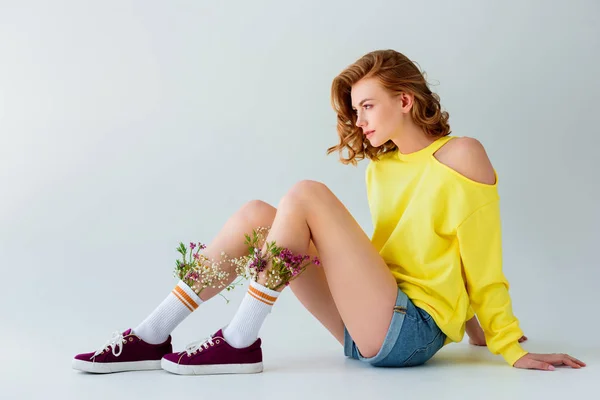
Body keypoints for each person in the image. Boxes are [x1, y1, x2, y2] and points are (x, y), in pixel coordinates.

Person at [72, 49, 585, 374]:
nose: (357, 120)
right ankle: (151, 334)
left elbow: (481, 256)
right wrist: (472, 325)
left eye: (367, 105)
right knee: (257, 213)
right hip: (372, 321)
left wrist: (504, 342)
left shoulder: (461, 155)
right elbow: (408, 254)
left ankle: (239, 340)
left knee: (307, 193)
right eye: (354, 109)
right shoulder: (381, 169)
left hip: (412, 330)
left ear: (405, 101)